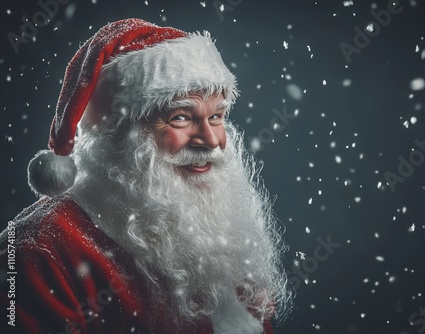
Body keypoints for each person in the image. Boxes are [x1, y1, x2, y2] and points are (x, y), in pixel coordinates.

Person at [0, 18, 291, 333]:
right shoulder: (38, 250)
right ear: (119, 133)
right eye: (180, 117)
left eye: (216, 116)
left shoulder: (220, 229)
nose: (210, 140)